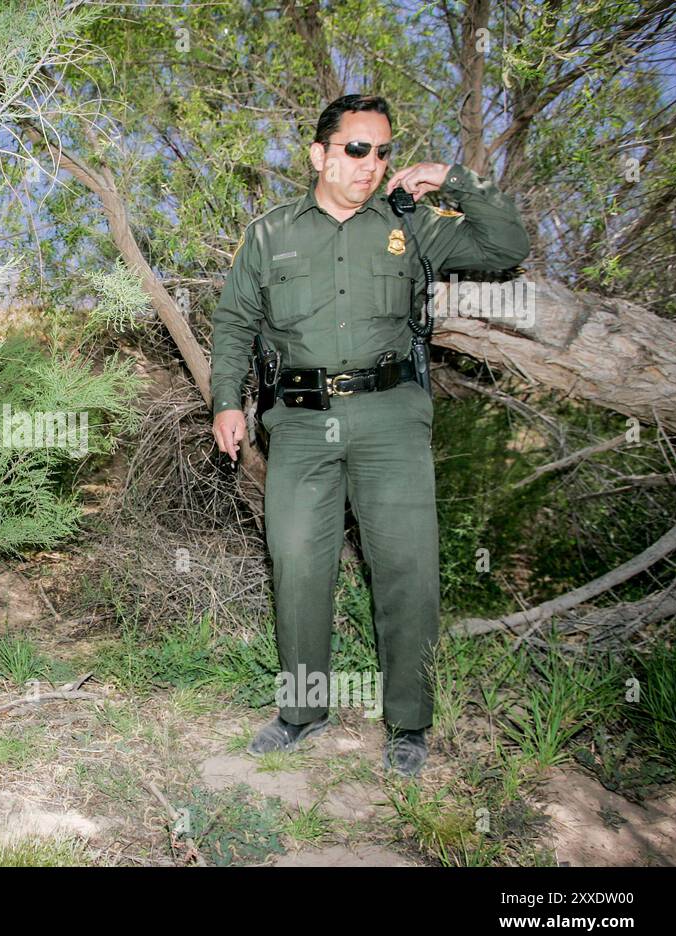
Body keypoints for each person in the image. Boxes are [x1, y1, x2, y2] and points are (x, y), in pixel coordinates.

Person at [208, 93, 530, 776]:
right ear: (319, 155)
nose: (372, 164)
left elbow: (507, 246)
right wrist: (226, 403)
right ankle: (302, 711)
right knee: (297, 567)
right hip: (297, 419)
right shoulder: (269, 233)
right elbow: (235, 321)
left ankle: (409, 724)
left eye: (383, 152)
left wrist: (452, 177)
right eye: (358, 149)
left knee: (408, 569)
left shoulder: (410, 225)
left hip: (391, 417)